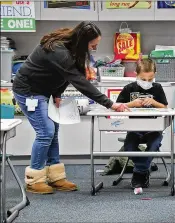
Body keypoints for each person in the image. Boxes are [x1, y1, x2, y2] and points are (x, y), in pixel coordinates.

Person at [12, 21, 128, 194]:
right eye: (93, 45)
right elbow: (78, 81)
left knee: (53, 130)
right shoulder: (59, 51)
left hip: (45, 91)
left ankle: (55, 177)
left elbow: (66, 75)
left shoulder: (73, 47)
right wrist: (110, 103)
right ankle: (34, 179)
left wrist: (57, 93)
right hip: (28, 91)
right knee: (46, 132)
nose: (94, 48)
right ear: (83, 41)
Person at [116, 58, 168, 188]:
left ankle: (139, 172)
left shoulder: (157, 88)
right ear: (136, 74)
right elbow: (117, 106)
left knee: (154, 145)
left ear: (155, 74)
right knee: (129, 147)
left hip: (153, 129)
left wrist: (154, 103)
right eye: (143, 79)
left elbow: (165, 108)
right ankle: (144, 169)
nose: (147, 82)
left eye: (150, 79)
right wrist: (132, 104)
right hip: (134, 128)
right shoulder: (129, 88)